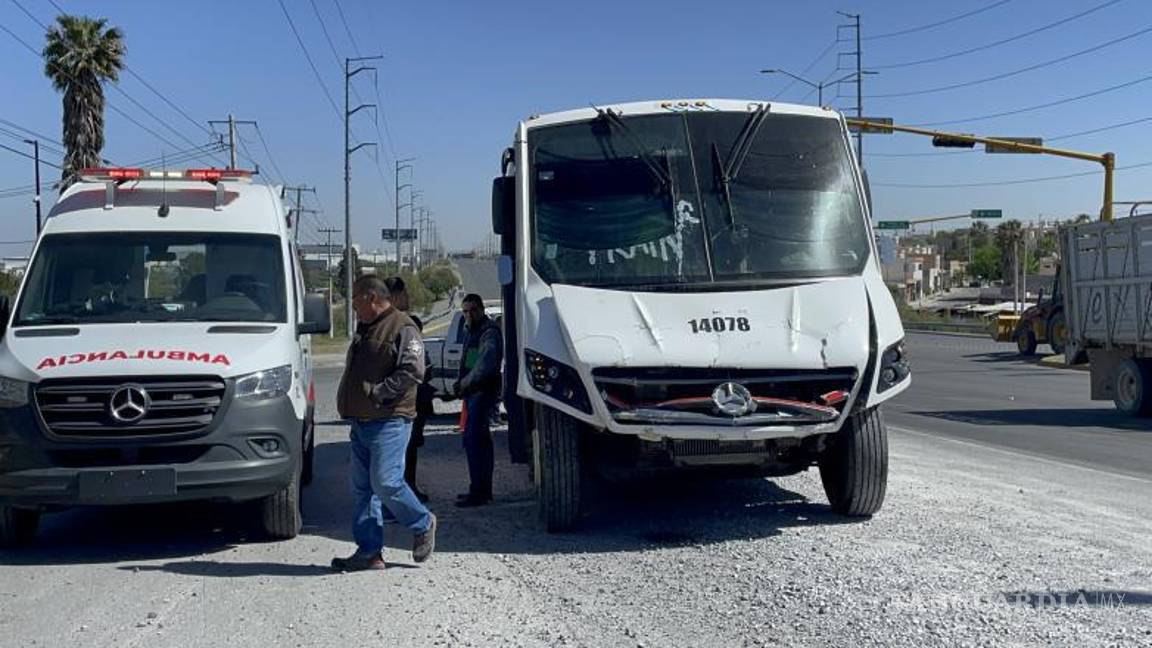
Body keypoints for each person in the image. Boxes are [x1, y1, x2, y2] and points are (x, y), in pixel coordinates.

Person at [332, 275, 436, 571]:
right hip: (362, 422)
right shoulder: (367, 327)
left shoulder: (403, 326)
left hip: (390, 421)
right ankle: (369, 552)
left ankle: (422, 522)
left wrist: (380, 394)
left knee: (386, 482)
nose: (352, 305)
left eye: (355, 298)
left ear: (370, 297)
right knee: (363, 489)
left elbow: (413, 370)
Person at [383, 275, 432, 503]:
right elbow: (412, 368)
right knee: (404, 449)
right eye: (405, 294)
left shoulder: (377, 323)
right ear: (396, 296)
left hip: (401, 400)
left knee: (406, 449)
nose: (409, 298)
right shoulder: (402, 324)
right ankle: (402, 498)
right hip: (403, 400)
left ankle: (405, 490)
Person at [453, 294, 504, 508]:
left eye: (472, 310)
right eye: (465, 311)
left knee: (476, 441)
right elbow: (472, 362)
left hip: (482, 392)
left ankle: (480, 491)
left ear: (481, 309)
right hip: (473, 393)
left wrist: (464, 384)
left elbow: (484, 365)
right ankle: (480, 489)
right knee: (474, 441)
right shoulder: (472, 331)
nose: (469, 315)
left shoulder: (488, 332)